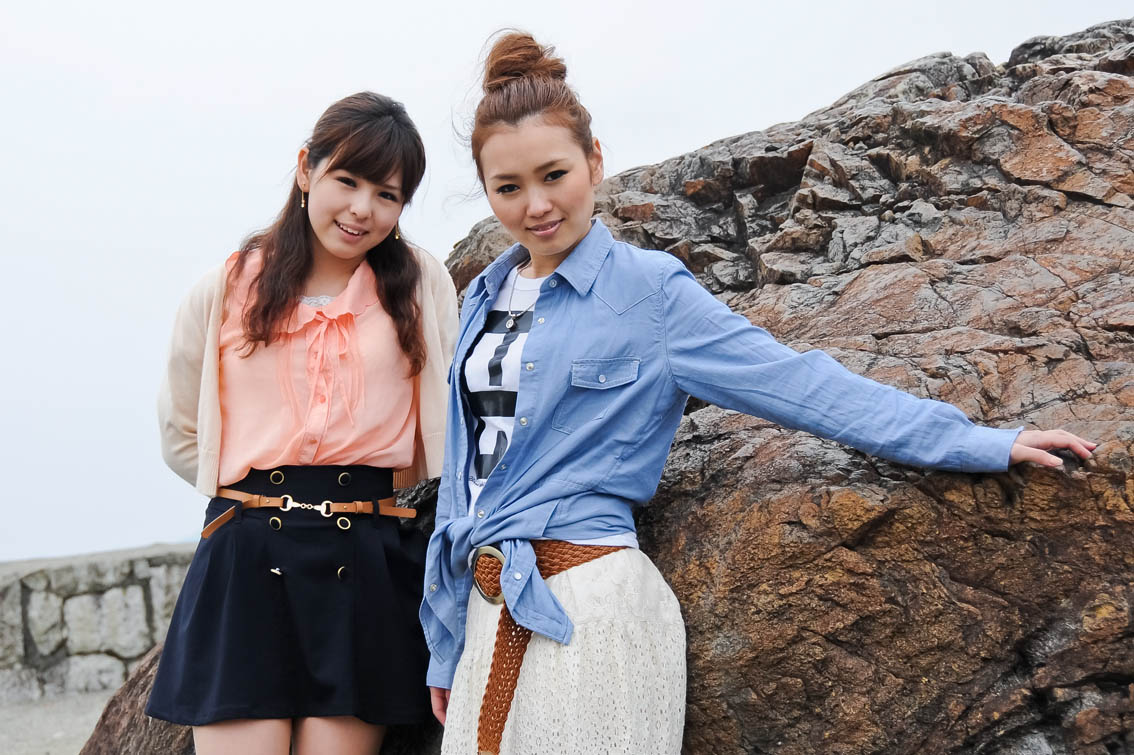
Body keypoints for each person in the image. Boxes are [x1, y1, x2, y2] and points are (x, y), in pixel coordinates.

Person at [419, 33, 1097, 755]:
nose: (537, 205)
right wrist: (446, 640)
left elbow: (796, 383)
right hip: (489, 607)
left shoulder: (651, 292)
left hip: (589, 601)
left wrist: (977, 441)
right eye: (509, 188)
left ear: (594, 161)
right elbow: (463, 487)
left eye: (554, 174)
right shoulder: (484, 295)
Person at [145, 92, 458, 755]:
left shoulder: (419, 283)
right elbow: (180, 432)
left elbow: (448, 422)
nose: (362, 209)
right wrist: (250, 494)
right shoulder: (225, 287)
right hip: (245, 557)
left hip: (364, 558)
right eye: (347, 180)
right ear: (305, 169)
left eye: (387, 194)